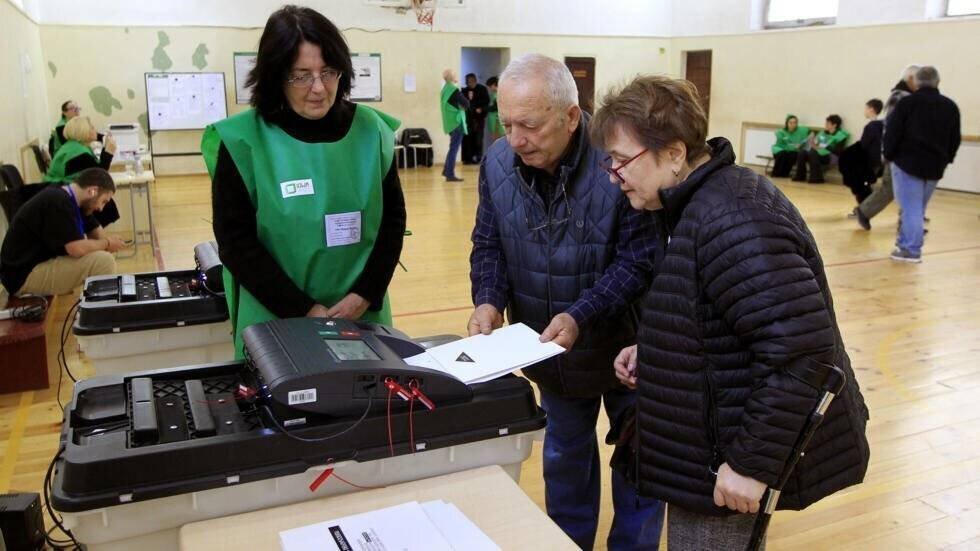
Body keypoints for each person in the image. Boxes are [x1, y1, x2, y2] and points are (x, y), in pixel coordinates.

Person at [591, 75, 870, 549]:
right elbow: (719, 315)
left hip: (730, 457)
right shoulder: (689, 204)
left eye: (622, 161)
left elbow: (803, 355)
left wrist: (750, 465)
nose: (613, 176)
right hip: (706, 445)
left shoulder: (735, 217)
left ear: (675, 153)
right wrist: (658, 347)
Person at [468, 54, 663, 550]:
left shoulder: (622, 160)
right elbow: (489, 243)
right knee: (565, 461)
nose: (515, 139)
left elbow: (639, 260)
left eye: (529, 125)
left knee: (642, 464)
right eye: (505, 123)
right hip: (551, 352)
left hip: (630, 349)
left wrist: (581, 314)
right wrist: (489, 299)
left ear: (572, 116)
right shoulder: (496, 162)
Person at [202, 5, 406, 355]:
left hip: (361, 313)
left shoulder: (371, 130)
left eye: (328, 72)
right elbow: (236, 242)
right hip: (276, 317)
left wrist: (364, 294)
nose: (318, 88)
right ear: (275, 76)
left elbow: (392, 220)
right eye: (301, 75)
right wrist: (305, 310)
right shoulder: (243, 140)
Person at [1, 168, 122, 296]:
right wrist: (107, 243)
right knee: (104, 262)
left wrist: (108, 244)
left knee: (103, 254)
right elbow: (75, 249)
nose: (101, 208)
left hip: (31, 268)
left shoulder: (75, 199)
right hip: (23, 277)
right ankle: (97, 314)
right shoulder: (58, 201)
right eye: (103, 201)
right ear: (93, 191)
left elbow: (97, 233)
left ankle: (90, 308)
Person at [885, 66, 960, 263]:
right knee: (917, 209)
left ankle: (911, 250)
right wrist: (947, 159)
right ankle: (903, 244)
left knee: (911, 209)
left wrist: (890, 155)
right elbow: (955, 138)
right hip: (935, 166)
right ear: (938, 82)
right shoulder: (950, 106)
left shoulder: (907, 103)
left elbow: (893, 131)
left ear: (916, 82)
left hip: (906, 163)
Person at [852, 64, 920, 230]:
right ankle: (864, 211)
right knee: (891, 189)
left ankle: (907, 224)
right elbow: (895, 127)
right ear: (910, 78)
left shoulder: (904, 96)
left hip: (901, 152)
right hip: (898, 152)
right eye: (919, 79)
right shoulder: (900, 97)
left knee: (905, 189)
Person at [43, 116, 120, 228]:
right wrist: (109, 152)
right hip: (60, 198)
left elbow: (96, 168)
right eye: (92, 128)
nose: (95, 130)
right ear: (84, 131)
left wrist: (106, 150)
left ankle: (97, 238)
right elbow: (100, 176)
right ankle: (97, 239)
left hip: (58, 191)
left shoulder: (74, 147)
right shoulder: (78, 153)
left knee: (101, 198)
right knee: (102, 199)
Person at [838, 99, 884, 204]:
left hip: (870, 161)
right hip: (878, 160)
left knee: (860, 184)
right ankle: (866, 208)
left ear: (871, 109)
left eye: (866, 108)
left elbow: (864, 145)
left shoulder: (870, 127)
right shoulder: (882, 125)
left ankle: (864, 208)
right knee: (866, 184)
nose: (865, 111)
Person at [793, 114, 849, 183]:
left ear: (834, 125)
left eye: (828, 124)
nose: (825, 125)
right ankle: (800, 176)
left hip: (832, 155)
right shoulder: (822, 133)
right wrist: (811, 141)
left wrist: (823, 146)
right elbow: (816, 142)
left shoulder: (841, 136)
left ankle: (816, 178)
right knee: (803, 152)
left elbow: (838, 151)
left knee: (812, 153)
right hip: (819, 152)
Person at [440, 68, 468, 182]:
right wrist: (461, 107)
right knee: (454, 149)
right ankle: (450, 174)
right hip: (456, 123)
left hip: (449, 123)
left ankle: (447, 170)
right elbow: (466, 103)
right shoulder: (454, 90)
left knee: (452, 148)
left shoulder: (444, 89)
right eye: (455, 74)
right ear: (452, 77)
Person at [461, 72, 490, 164]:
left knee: (478, 139)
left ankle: (478, 158)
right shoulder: (464, 91)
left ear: (475, 81)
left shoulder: (482, 89)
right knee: (468, 139)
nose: (469, 84)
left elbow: (486, 101)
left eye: (471, 82)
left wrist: (481, 108)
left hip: (479, 119)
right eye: (468, 82)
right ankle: (468, 158)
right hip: (467, 119)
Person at [485, 76, 504, 144]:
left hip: (497, 123)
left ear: (493, 84)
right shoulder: (494, 93)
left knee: (498, 143)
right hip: (494, 123)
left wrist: (484, 108)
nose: (489, 88)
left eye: (490, 86)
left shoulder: (500, 94)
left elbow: (495, 107)